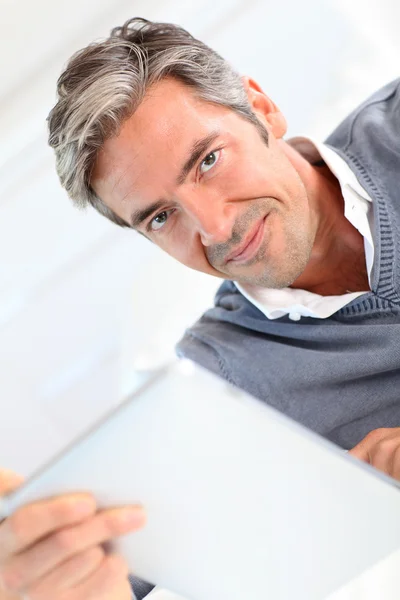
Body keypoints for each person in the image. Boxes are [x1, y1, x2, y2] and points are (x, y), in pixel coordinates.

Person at [1, 16, 400, 600]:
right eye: (161, 217)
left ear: (261, 109)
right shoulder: (213, 391)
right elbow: (123, 570)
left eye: (208, 160)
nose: (215, 228)